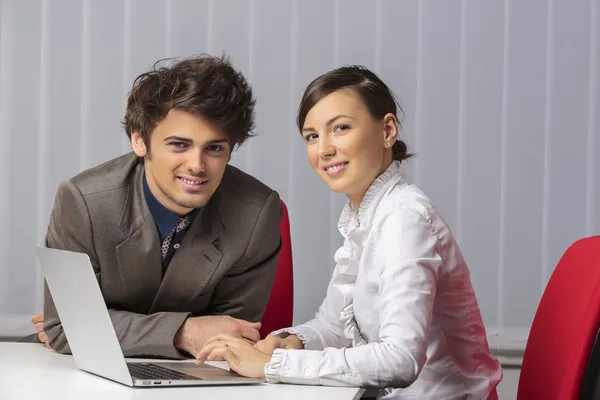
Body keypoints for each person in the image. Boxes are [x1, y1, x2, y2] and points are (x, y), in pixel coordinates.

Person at [195, 65, 503, 399]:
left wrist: (274, 365)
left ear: (387, 130)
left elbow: (401, 360)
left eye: (340, 128)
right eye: (312, 136)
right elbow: (334, 325)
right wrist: (291, 341)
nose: (323, 149)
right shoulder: (366, 215)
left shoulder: (405, 220)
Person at [32, 54, 283, 359]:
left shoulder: (256, 212)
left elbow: (230, 339)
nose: (197, 165)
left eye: (214, 148)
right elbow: (65, 330)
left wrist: (100, 326)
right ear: (140, 141)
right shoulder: (82, 201)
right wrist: (183, 332)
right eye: (179, 144)